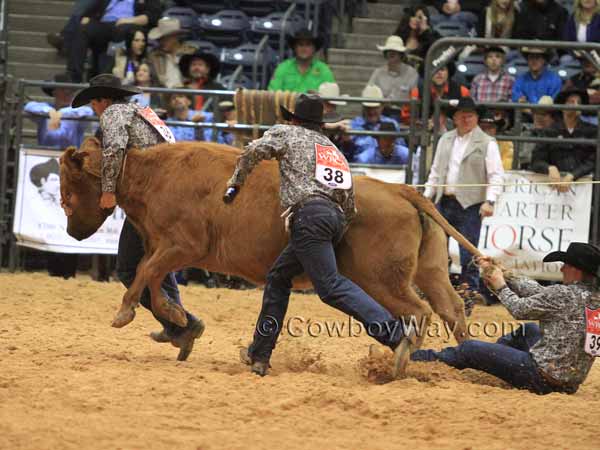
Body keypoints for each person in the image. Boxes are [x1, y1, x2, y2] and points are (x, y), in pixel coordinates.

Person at [222, 94, 414, 377]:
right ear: (319, 123)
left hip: (308, 218)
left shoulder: (286, 132)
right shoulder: (331, 148)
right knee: (278, 277)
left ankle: (395, 333)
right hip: (333, 220)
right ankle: (259, 355)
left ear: (294, 119)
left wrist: (235, 183)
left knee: (330, 287)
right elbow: (349, 201)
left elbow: (254, 150)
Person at [70, 74, 204, 361]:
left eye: (94, 103)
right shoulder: (142, 111)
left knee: (129, 266)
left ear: (102, 100)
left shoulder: (114, 113)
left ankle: (183, 324)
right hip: (170, 191)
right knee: (157, 261)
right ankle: (177, 325)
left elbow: (115, 148)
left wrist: (108, 191)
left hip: (153, 197)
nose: (94, 109)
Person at [412, 242, 600, 395]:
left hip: (541, 378)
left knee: (469, 349)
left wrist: (500, 285)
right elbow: (540, 293)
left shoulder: (563, 295)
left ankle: (415, 359)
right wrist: (503, 272)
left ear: (575, 270)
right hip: (569, 382)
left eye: (565, 265)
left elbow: (519, 309)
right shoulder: (592, 298)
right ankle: (495, 361)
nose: (562, 269)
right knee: (529, 331)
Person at [423, 97, 504, 295]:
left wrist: (490, 200)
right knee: (437, 246)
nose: (466, 119)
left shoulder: (487, 143)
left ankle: (469, 290)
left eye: (470, 116)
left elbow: (496, 175)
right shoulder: (445, 139)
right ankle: (440, 287)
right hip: (444, 200)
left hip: (471, 204)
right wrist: (426, 196)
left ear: (477, 118)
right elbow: (435, 171)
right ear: (455, 118)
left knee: (468, 249)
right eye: (462, 116)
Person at [66, 0, 161, 82]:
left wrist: (130, 20)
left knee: (124, 31)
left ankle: (107, 76)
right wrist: (87, 17)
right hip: (104, 25)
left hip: (128, 24)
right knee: (83, 28)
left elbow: (153, 16)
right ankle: (74, 76)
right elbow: (94, 8)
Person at [530, 88, 597, 192]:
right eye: (571, 102)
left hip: (584, 187)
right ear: (562, 106)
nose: (576, 105)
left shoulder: (592, 130)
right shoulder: (550, 131)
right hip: (554, 189)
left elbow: (593, 160)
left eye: (579, 102)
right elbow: (536, 160)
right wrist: (549, 168)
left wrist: (573, 175)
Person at [24, 73, 95, 149]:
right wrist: (51, 112)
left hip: (70, 157)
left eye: (70, 90)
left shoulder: (78, 111)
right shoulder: (46, 108)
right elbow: (29, 106)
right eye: (63, 89)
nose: (67, 93)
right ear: (54, 92)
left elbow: (88, 111)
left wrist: (59, 113)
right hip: (45, 154)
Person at [343, 85, 409, 164]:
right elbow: (347, 156)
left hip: (390, 169)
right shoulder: (353, 126)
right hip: (362, 168)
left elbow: (401, 150)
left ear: (382, 106)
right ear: (363, 107)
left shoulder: (392, 124)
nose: (371, 111)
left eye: (375, 108)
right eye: (368, 108)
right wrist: (346, 143)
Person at [268, 28, 336, 93]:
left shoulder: (324, 69)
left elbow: (331, 98)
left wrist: (319, 96)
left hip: (315, 105)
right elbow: (272, 94)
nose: (304, 48)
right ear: (295, 48)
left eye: (308, 45)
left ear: (314, 48)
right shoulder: (283, 67)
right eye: (300, 45)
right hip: (286, 105)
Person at [367, 35, 418, 111]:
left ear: (401, 54)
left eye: (395, 51)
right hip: (381, 112)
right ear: (385, 54)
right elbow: (368, 93)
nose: (391, 53)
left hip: (403, 114)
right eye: (389, 51)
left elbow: (415, 98)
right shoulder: (378, 73)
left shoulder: (412, 73)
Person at [147, 18, 195, 89]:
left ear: (175, 37)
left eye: (165, 38)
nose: (161, 42)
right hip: (161, 96)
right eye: (159, 39)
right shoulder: (153, 56)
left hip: (187, 96)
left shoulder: (191, 53)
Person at [519, 95, 556, 169]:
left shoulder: (557, 135)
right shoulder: (526, 133)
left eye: (544, 114)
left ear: (553, 118)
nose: (539, 117)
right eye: (536, 113)